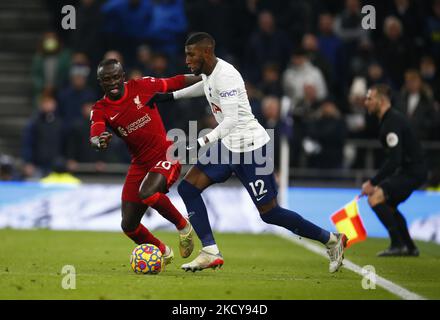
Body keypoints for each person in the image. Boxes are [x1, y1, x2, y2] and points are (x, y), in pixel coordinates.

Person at [147, 32, 347, 273]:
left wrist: (200, 143)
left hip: (253, 150)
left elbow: (230, 121)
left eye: (191, 54)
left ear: (207, 52)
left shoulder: (227, 75)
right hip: (228, 147)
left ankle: (332, 240)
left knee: (270, 213)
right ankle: (210, 250)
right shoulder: (210, 74)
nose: (187, 60)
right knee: (188, 188)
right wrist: (170, 97)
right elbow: (204, 87)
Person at [90, 59, 201, 266]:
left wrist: (206, 76)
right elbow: (96, 133)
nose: (113, 82)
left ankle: (184, 227)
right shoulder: (101, 108)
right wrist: (99, 141)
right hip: (140, 164)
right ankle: (163, 251)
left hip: (166, 154)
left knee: (148, 192)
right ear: (100, 82)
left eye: (116, 77)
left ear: (123, 77)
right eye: (107, 79)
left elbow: (175, 82)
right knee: (129, 225)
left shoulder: (142, 86)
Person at [362, 84, 428, 257]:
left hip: (413, 171)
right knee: (388, 205)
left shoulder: (392, 122)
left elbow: (394, 159)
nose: (366, 102)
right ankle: (410, 247)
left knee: (375, 198)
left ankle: (398, 245)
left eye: (370, 98)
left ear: (382, 100)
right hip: (410, 170)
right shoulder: (389, 120)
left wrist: (373, 182)